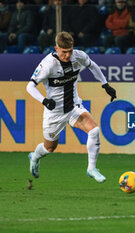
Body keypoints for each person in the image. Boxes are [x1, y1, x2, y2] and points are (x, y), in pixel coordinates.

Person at [26, 31, 117, 183]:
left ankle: (91, 168)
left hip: (74, 107)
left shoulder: (78, 55)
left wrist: (105, 84)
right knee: (49, 148)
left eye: (70, 51)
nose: (67, 55)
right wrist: (44, 101)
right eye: (64, 52)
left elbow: (92, 65)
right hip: (54, 112)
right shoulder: (48, 64)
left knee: (94, 130)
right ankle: (34, 157)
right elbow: (30, 87)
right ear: (56, 48)